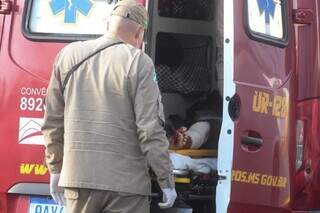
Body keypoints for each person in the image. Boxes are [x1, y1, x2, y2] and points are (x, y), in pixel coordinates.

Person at [41, 0, 177, 212]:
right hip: (126, 189)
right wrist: (166, 181)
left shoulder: (68, 55)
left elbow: (52, 122)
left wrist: (55, 168)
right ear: (140, 33)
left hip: (77, 181)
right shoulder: (139, 62)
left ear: (107, 24)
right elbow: (150, 130)